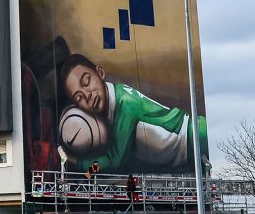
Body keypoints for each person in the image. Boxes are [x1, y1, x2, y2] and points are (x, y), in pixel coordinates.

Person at [58, 53, 206, 172]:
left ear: (100, 72)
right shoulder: (113, 102)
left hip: (195, 135)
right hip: (188, 149)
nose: (87, 95)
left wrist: (77, 163)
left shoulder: (125, 103)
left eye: (86, 82)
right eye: (78, 97)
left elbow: (115, 161)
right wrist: (89, 172)